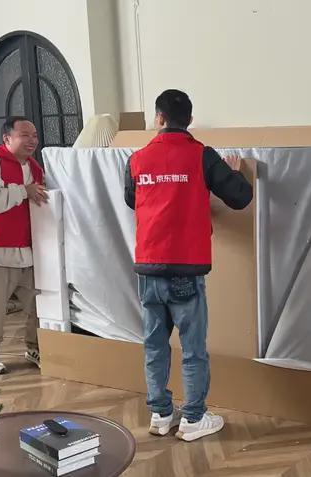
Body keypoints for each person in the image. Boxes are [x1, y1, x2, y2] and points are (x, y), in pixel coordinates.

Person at [124, 89, 253, 441]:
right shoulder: (202, 156)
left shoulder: (136, 159)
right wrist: (234, 173)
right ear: (190, 120)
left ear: (159, 118)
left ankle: (161, 414)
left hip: (149, 269)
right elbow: (241, 198)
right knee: (192, 348)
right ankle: (193, 418)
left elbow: (133, 199)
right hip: (186, 269)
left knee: (154, 345)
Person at [0, 117, 48, 375]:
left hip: (28, 250)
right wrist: (24, 191)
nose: (32, 140)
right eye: (25, 135)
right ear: (7, 138)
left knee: (40, 304)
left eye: (34, 135)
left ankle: (36, 347)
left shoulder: (35, 167)